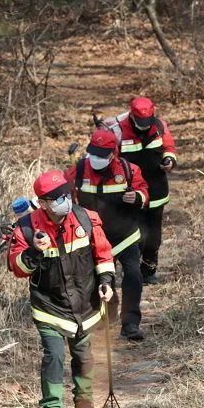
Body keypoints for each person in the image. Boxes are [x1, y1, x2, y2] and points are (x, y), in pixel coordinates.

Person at [8, 170, 115, 408]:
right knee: (53, 356)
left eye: (66, 193)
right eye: (57, 197)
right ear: (43, 203)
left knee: (83, 354)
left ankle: (84, 404)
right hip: (49, 307)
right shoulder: (25, 228)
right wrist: (34, 251)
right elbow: (18, 268)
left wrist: (107, 282)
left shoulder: (86, 219)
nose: (64, 199)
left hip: (85, 305)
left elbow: (103, 255)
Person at [65, 129, 149, 341]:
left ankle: (130, 323)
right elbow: (62, 192)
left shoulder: (129, 170)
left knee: (133, 276)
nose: (96, 159)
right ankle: (108, 314)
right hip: (93, 239)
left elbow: (145, 193)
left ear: (113, 154)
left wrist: (137, 197)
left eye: (102, 155)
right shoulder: (79, 170)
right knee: (98, 280)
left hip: (125, 236)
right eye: (93, 153)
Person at [117, 96, 177, 285]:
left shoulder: (159, 126)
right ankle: (132, 272)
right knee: (133, 234)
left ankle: (149, 271)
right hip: (131, 192)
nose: (144, 125)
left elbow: (169, 147)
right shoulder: (119, 131)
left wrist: (169, 160)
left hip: (156, 190)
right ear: (131, 115)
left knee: (153, 234)